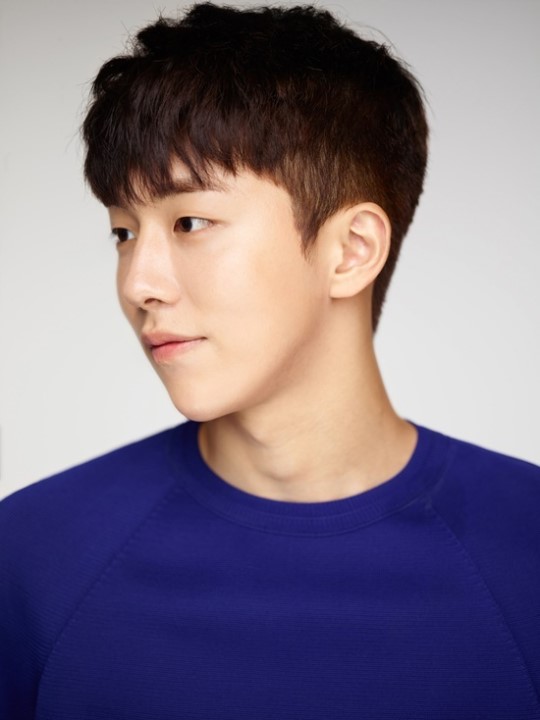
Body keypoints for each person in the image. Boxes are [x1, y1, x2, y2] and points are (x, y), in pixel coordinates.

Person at [1, 3, 539, 718]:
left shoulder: (527, 551)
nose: (138, 284)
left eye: (190, 222)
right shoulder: (31, 555)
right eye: (123, 233)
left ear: (351, 252)